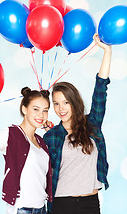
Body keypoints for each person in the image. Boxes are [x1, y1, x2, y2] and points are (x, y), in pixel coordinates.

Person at [43, 34, 112, 214]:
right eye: (56, 104)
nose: (61, 108)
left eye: (66, 102)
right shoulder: (51, 136)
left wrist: (107, 51)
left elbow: (100, 90)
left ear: (74, 102)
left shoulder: (92, 125)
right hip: (61, 204)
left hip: (90, 203)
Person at [0, 87, 53, 214]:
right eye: (36, 109)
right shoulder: (12, 134)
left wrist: (51, 132)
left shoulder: (41, 141)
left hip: (42, 208)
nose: (41, 115)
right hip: (22, 209)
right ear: (24, 109)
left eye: (45, 111)